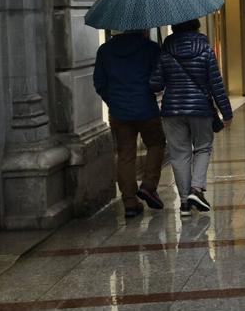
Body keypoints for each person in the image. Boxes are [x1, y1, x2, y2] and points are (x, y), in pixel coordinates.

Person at [151, 19, 233, 216]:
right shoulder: (205, 49)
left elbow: (156, 84)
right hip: (200, 109)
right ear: (197, 27)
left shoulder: (165, 51)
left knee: (179, 154)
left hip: (172, 110)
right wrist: (226, 112)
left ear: (173, 28)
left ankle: (185, 203)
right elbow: (216, 84)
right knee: (203, 147)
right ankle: (196, 189)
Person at [94, 30, 165, 218]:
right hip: (146, 109)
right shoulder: (150, 48)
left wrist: (113, 101)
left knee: (125, 154)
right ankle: (148, 185)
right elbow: (158, 82)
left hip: (119, 112)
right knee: (156, 144)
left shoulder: (105, 50)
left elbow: (99, 82)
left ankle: (130, 202)